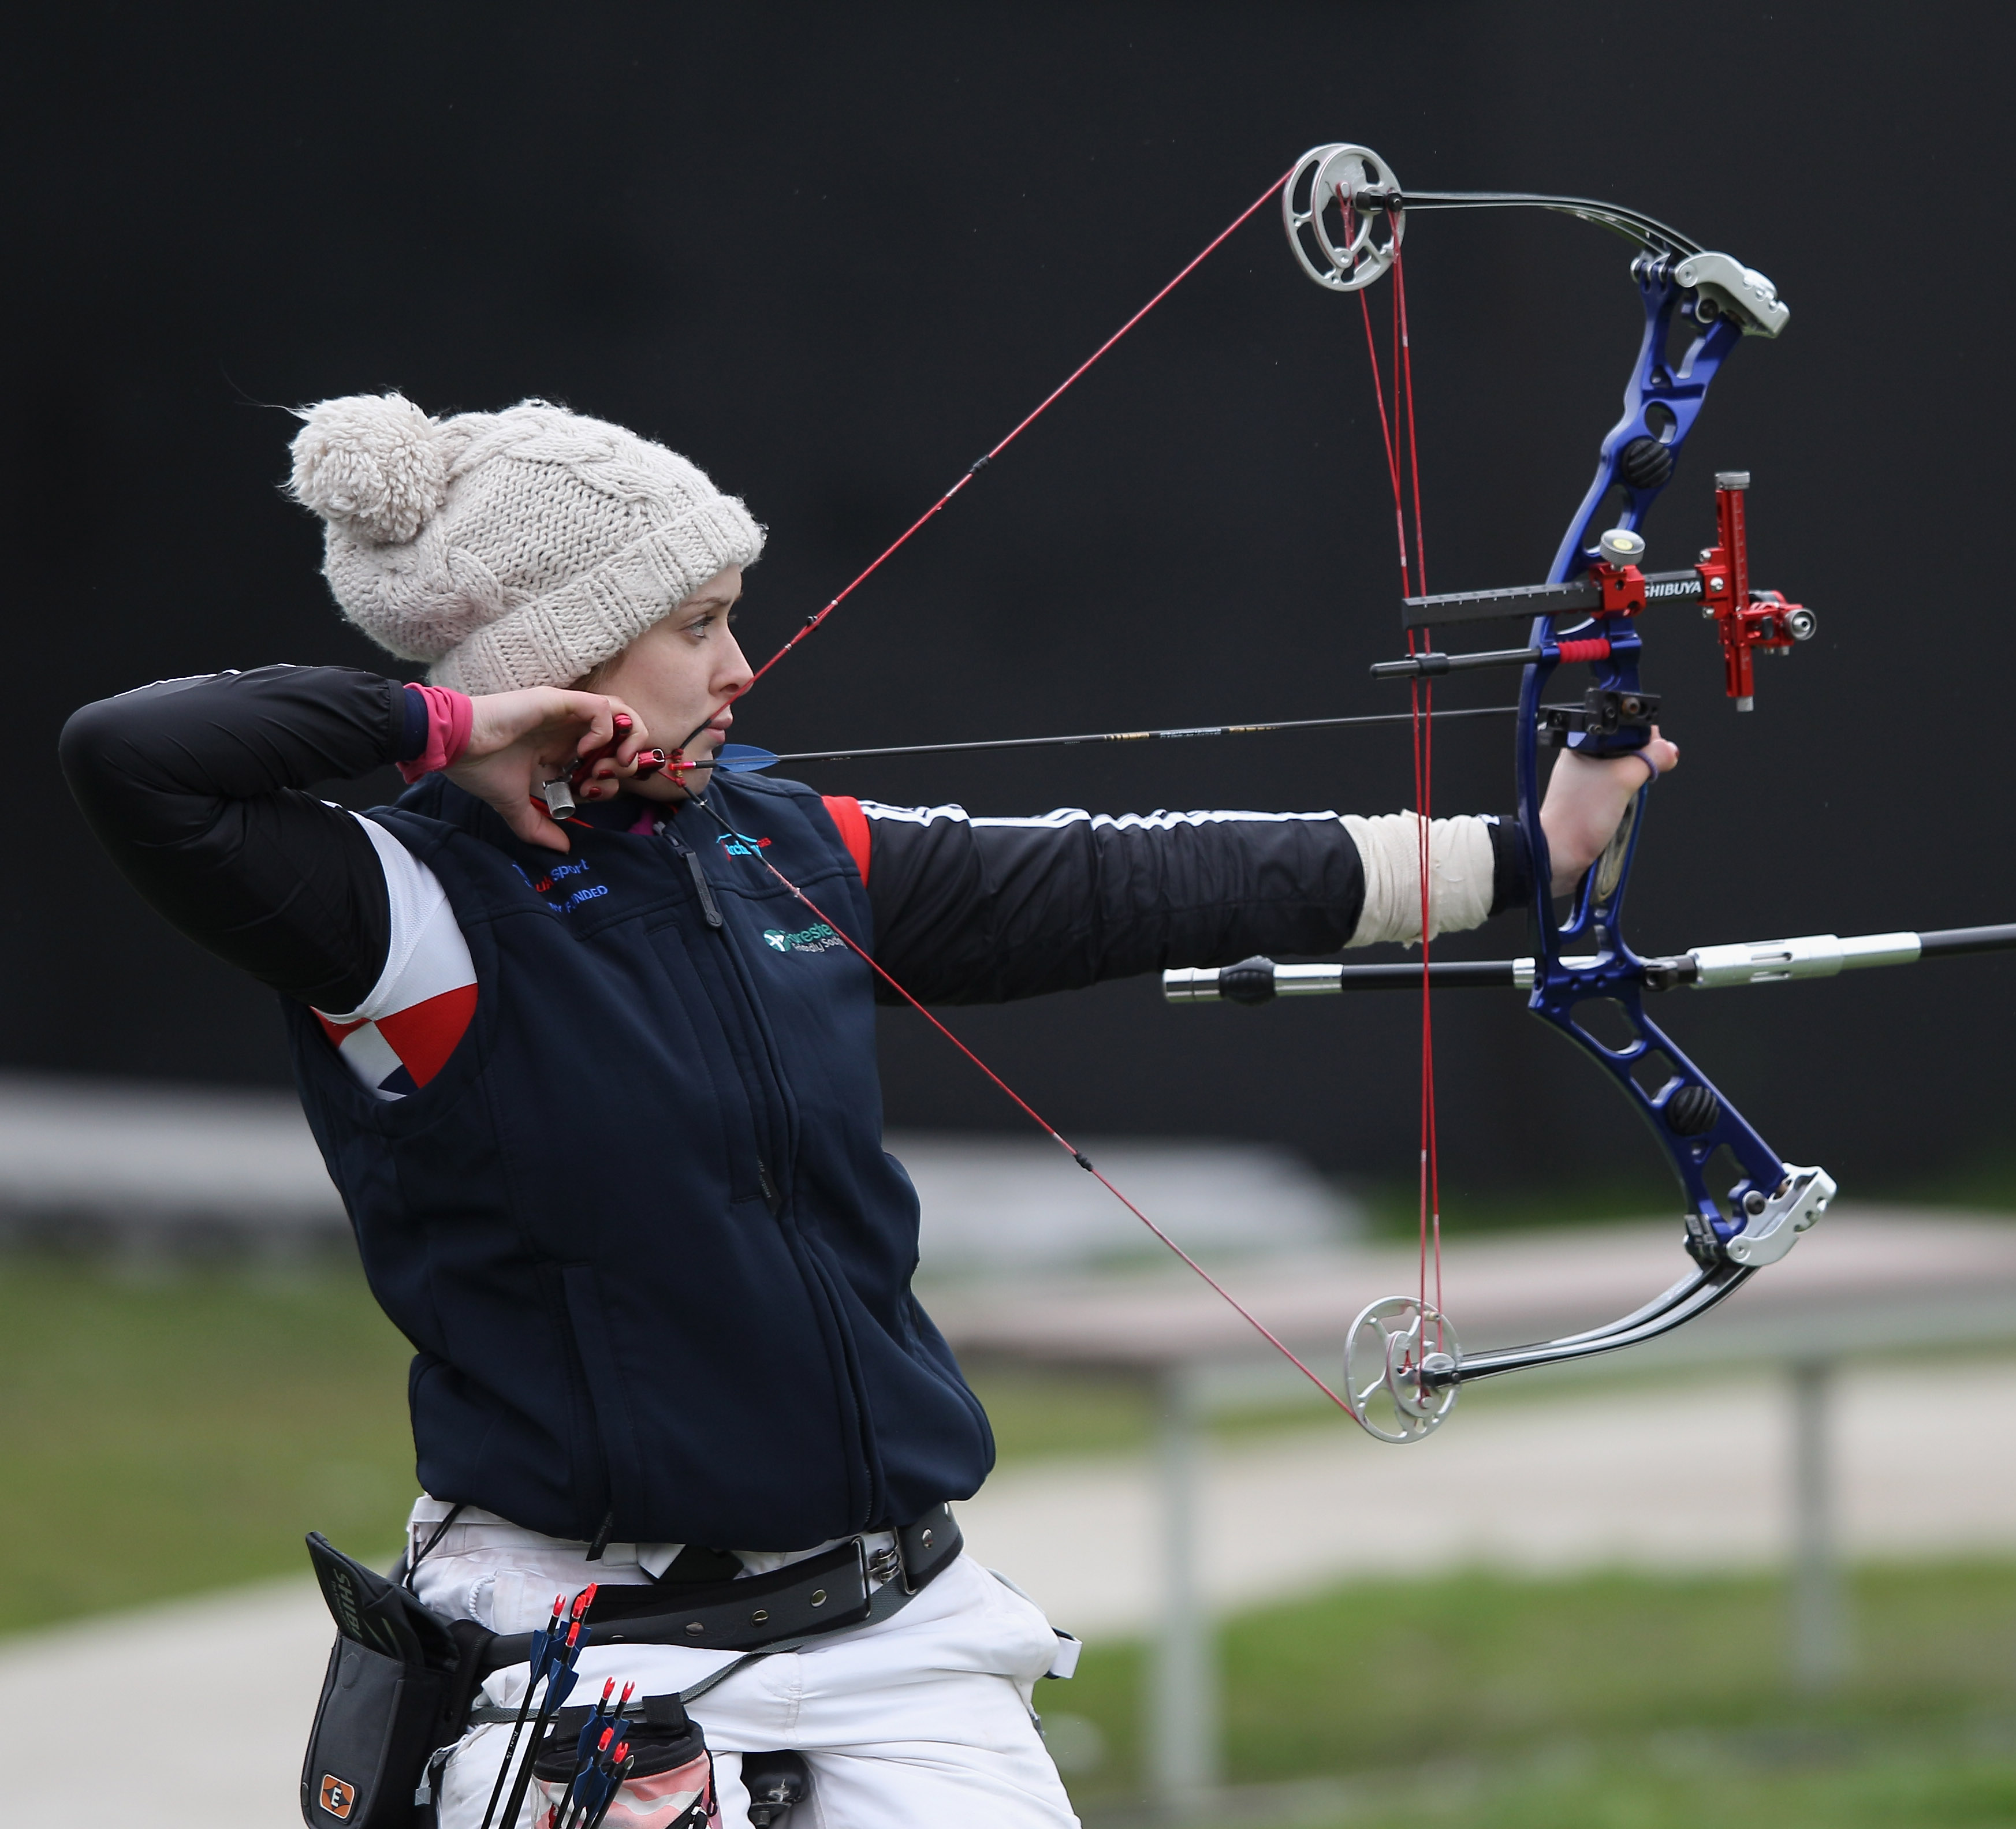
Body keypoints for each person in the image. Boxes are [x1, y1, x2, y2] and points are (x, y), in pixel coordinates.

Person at [59, 394, 1675, 1828]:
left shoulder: (785, 846)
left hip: (896, 1629)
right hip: (591, 1657)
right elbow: (134, 757)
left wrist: (1521, 856)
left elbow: (1132, 880)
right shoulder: (398, 916)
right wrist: (461, 726)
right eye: (696, 624)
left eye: (734, 617)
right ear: (564, 659)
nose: (738, 668)